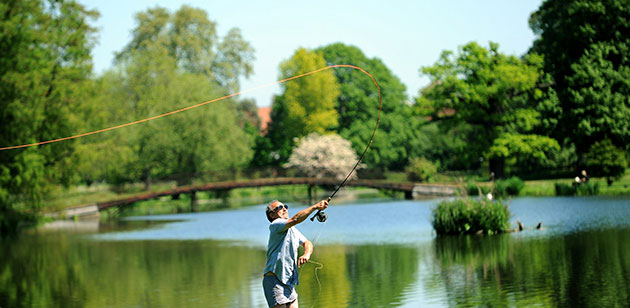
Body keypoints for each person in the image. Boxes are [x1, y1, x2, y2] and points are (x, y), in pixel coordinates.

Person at [262, 199, 328, 308]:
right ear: (272, 215)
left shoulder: (292, 229)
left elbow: (307, 243)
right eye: (279, 208)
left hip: (289, 283)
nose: (284, 209)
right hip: (275, 282)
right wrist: (315, 207)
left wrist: (307, 254)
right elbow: (296, 219)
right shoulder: (275, 224)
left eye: (285, 206)